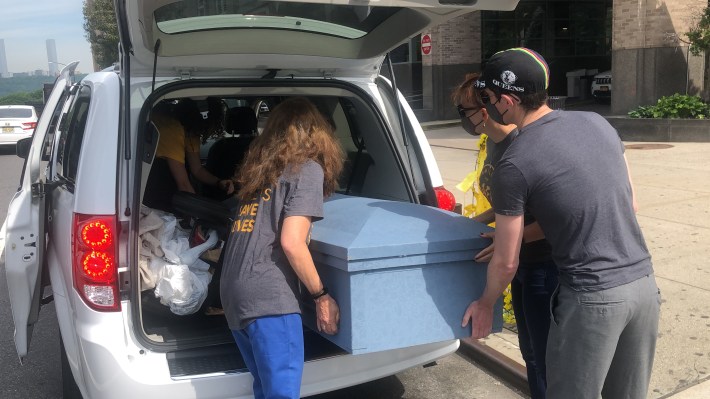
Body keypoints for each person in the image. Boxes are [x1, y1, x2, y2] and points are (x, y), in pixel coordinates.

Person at [461, 48, 658, 399]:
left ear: (506, 100)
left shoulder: (515, 161)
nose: (487, 105)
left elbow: (506, 261)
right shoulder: (596, 123)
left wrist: (486, 302)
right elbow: (631, 202)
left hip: (592, 298)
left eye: (487, 97)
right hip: (644, 286)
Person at [219, 97, 343, 399]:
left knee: (265, 389)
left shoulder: (261, 174)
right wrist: (321, 296)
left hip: (234, 293)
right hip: (268, 299)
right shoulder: (307, 170)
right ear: (317, 133)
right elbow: (291, 242)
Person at [453, 72, 558, 399]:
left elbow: (557, 216)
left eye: (463, 111)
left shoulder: (521, 146)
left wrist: (507, 241)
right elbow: (504, 205)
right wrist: (470, 223)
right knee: (530, 354)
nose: (462, 119)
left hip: (543, 263)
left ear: (483, 111)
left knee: (545, 358)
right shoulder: (496, 147)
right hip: (522, 263)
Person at [143, 99, 234, 213]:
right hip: (153, 185)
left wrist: (218, 182)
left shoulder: (191, 129)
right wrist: (199, 219)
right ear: (204, 119)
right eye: (214, 123)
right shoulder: (171, 128)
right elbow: (184, 184)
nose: (213, 129)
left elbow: (197, 169)